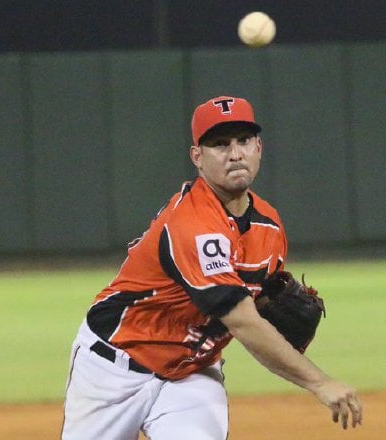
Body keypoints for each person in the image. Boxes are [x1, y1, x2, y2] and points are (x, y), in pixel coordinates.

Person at [61, 95, 362, 439]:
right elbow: (242, 321)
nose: (235, 154)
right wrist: (319, 382)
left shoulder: (270, 226)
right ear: (197, 157)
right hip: (114, 368)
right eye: (219, 144)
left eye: (243, 141)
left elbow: (258, 304)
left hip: (192, 374)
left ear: (259, 147)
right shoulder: (193, 223)